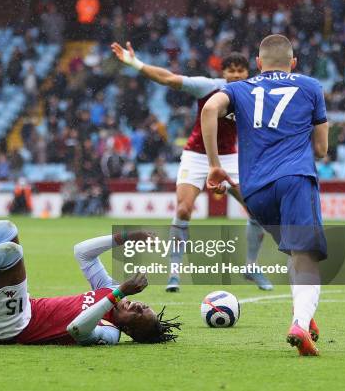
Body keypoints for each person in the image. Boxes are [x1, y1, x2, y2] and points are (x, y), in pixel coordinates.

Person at [201, 34, 327, 356]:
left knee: (292, 250)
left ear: (257, 64)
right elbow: (322, 150)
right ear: (293, 63)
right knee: (306, 255)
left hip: (256, 192)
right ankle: (300, 321)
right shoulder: (310, 86)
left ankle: (304, 314)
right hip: (295, 180)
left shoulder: (239, 88)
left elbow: (209, 110)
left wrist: (215, 165)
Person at [112, 42, 271, 292]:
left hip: (231, 159)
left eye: (241, 70)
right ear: (223, 72)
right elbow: (169, 78)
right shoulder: (209, 87)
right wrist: (136, 63)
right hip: (197, 156)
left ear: (248, 72)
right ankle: (174, 273)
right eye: (231, 70)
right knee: (184, 209)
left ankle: (251, 266)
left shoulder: (254, 95)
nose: (237, 75)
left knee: (257, 210)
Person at [0, 221, 180, 345]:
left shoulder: (110, 333)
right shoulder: (108, 294)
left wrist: (117, 293)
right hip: (15, 309)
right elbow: (82, 253)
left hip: (11, 327)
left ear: (128, 328)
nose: (139, 305)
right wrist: (127, 236)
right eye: (144, 305)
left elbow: (77, 329)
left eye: (139, 313)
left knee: (12, 253)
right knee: (7, 230)